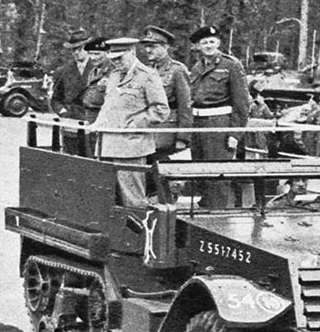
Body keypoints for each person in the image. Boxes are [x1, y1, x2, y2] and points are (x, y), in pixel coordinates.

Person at [92, 37, 169, 207]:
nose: (116, 63)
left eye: (120, 58)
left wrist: (136, 123)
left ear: (132, 52)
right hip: (108, 144)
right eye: (113, 59)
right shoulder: (114, 75)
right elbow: (108, 104)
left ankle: (138, 231)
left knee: (132, 198)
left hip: (131, 146)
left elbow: (161, 109)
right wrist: (97, 124)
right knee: (108, 196)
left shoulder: (147, 76)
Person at [185, 25, 249, 205]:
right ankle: (205, 210)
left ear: (219, 43)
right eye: (204, 42)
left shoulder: (231, 65)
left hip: (219, 126)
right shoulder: (197, 68)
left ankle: (217, 215)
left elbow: (242, 103)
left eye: (212, 42)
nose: (208, 46)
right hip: (198, 125)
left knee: (218, 175)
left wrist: (235, 134)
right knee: (201, 171)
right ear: (198, 46)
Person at [138, 25, 192, 159]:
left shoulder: (177, 70)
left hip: (167, 134)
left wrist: (182, 138)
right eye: (146, 46)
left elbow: (185, 106)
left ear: (165, 47)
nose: (148, 50)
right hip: (146, 134)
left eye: (153, 46)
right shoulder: (145, 70)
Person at [49, 29, 93, 155]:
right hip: (71, 126)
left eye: (80, 48)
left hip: (92, 126)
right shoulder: (62, 71)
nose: (76, 52)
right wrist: (64, 112)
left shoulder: (100, 68)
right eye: (73, 49)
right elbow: (55, 100)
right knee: (71, 164)